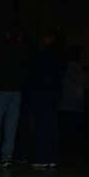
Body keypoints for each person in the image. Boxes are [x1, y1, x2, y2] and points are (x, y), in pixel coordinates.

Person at [0, 24, 29, 167]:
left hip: (0, 89)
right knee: (11, 126)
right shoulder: (23, 50)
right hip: (16, 91)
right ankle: (7, 157)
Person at [28, 27, 66, 169]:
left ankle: (42, 157)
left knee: (42, 124)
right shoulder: (61, 54)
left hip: (43, 91)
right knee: (52, 125)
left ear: (50, 37)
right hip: (55, 91)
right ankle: (52, 157)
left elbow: (36, 72)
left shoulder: (44, 53)